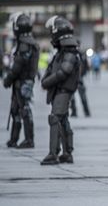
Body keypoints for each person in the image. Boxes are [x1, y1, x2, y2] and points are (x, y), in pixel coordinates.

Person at [40, 16, 81, 165]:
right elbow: (53, 69)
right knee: (62, 120)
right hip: (59, 90)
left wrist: (47, 82)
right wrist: (46, 81)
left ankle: (53, 153)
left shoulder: (69, 53)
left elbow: (64, 71)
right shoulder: (63, 52)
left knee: (55, 118)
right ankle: (67, 153)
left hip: (63, 90)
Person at [3, 12, 39, 148]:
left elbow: (17, 65)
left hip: (22, 82)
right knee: (16, 110)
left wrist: (8, 79)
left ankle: (29, 140)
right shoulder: (28, 43)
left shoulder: (25, 45)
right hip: (22, 82)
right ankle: (14, 139)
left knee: (24, 110)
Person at [70, 48, 91, 117]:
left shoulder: (77, 55)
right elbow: (86, 66)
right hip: (77, 78)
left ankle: (77, 112)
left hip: (76, 78)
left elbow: (85, 66)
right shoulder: (80, 55)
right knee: (77, 97)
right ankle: (84, 112)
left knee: (78, 96)